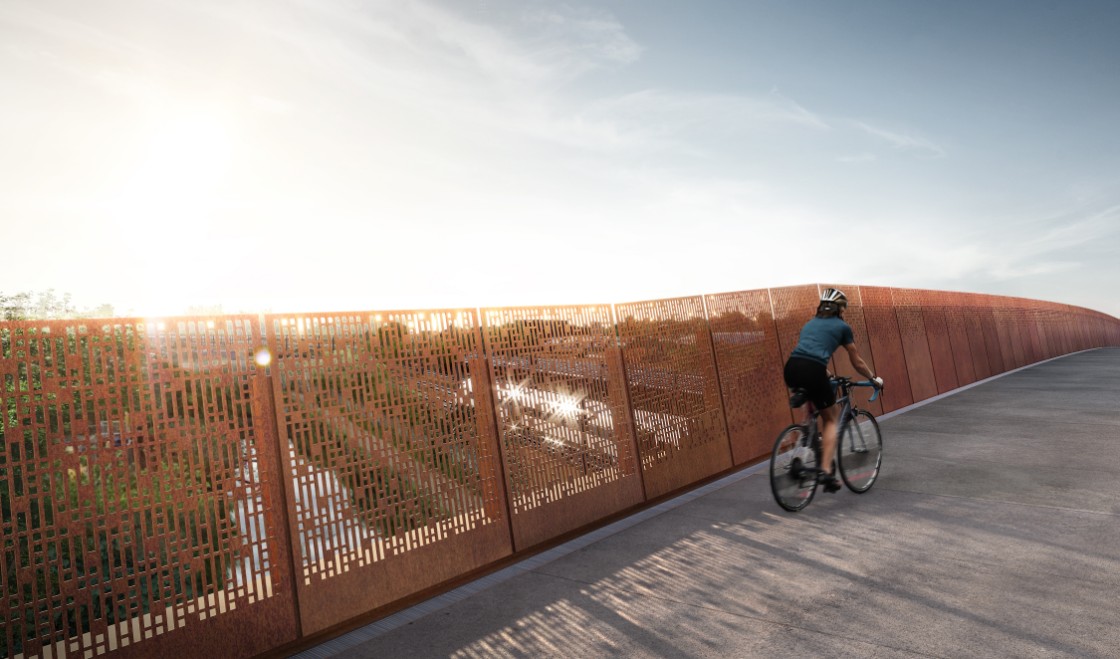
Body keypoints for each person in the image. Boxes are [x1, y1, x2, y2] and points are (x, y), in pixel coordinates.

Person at [783, 288, 883, 492]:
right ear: (839, 310)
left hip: (792, 368)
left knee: (811, 406)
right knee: (830, 419)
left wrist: (827, 375)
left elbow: (809, 354)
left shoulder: (809, 325)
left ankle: (802, 446)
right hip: (813, 370)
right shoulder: (842, 327)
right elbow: (856, 361)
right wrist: (873, 378)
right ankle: (826, 471)